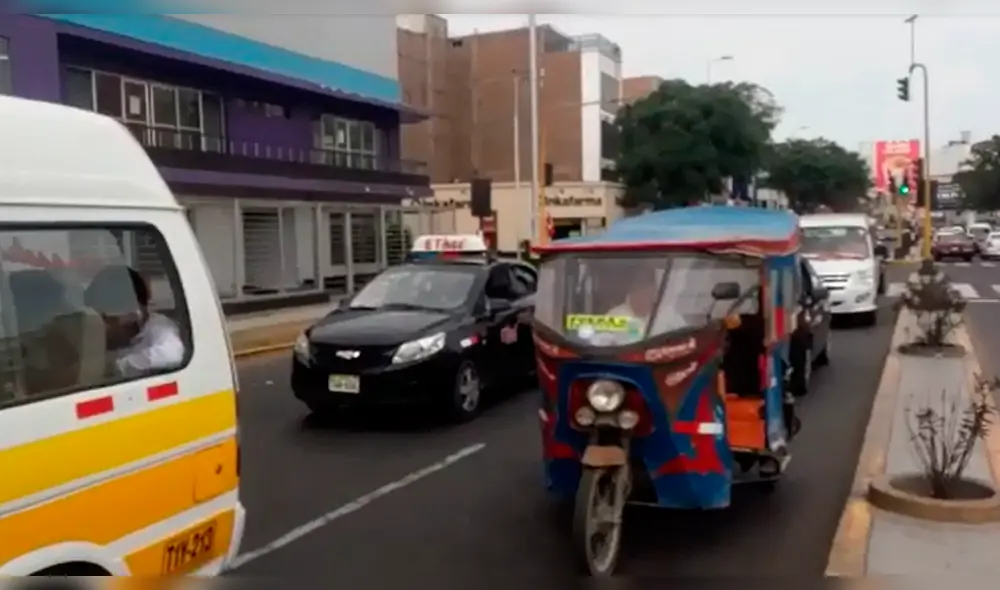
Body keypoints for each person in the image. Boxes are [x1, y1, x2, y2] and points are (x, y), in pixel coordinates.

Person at [83, 265, 186, 378]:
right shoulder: (104, 335)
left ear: (132, 312)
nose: (104, 326)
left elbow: (173, 354)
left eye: (106, 318)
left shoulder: (160, 329)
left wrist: (119, 366)